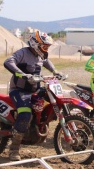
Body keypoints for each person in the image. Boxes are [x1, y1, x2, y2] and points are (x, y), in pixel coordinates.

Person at [4, 30, 61, 161]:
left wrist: (55, 71)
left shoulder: (41, 54)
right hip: (19, 90)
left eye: (48, 46)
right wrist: (22, 74)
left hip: (35, 89)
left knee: (51, 102)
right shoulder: (23, 53)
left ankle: (37, 128)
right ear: (36, 44)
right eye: (45, 46)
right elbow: (8, 62)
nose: (46, 49)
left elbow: (46, 61)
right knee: (26, 113)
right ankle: (14, 149)